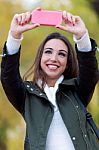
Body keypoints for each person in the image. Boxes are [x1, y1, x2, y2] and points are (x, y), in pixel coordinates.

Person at [1, 8, 99, 150]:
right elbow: (8, 77)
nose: (54, 58)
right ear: (40, 57)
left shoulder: (77, 90)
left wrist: (82, 36)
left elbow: (90, 71)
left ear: (67, 63)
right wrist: (15, 36)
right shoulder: (26, 96)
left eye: (61, 54)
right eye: (48, 52)